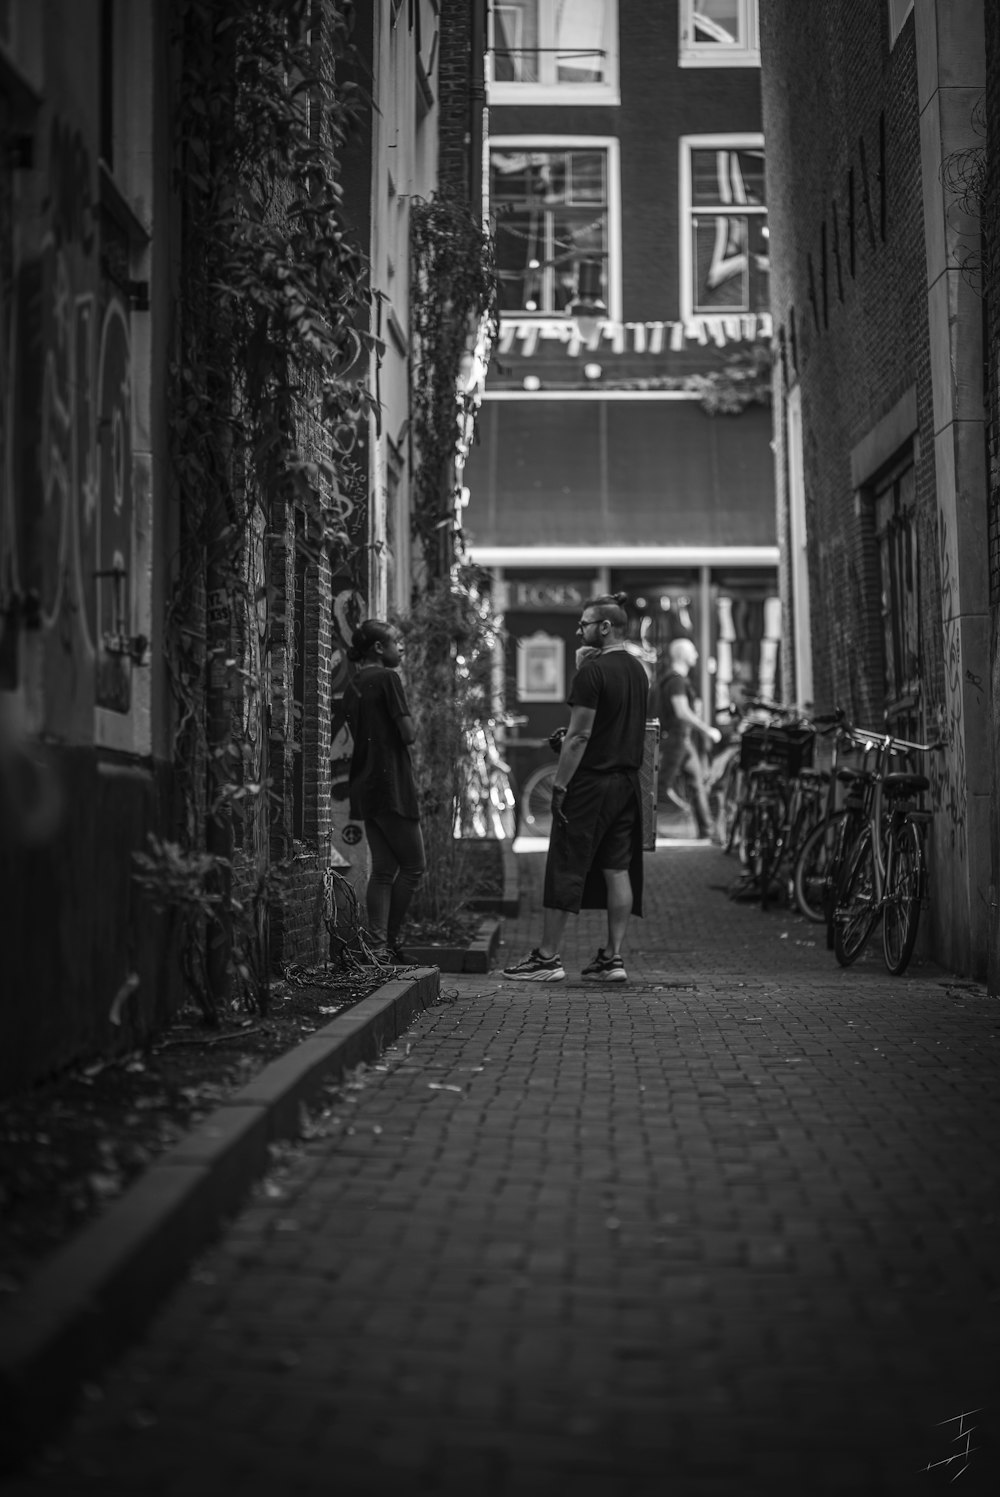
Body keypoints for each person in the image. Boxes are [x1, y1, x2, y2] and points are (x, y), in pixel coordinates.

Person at [504, 594, 648, 984]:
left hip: (590, 785)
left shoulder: (593, 672)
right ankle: (612, 958)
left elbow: (581, 737)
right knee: (618, 869)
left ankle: (547, 958)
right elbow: (614, 727)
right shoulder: (638, 670)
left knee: (566, 866)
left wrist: (562, 785)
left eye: (584, 623)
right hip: (627, 784)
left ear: (604, 627)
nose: (578, 630)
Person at [342, 619, 426, 961]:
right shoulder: (389, 678)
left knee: (383, 869)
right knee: (413, 866)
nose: (401, 648)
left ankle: (377, 948)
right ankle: (389, 941)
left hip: (365, 784)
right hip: (392, 784)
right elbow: (408, 734)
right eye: (396, 641)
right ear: (379, 648)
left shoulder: (353, 684)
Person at [655, 637, 721, 841]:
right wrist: (707, 730)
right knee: (661, 787)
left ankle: (707, 831)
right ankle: (649, 826)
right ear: (683, 655)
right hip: (677, 740)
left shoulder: (672, 679)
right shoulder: (676, 681)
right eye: (693, 651)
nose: (697, 655)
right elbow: (682, 711)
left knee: (696, 784)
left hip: (682, 740)